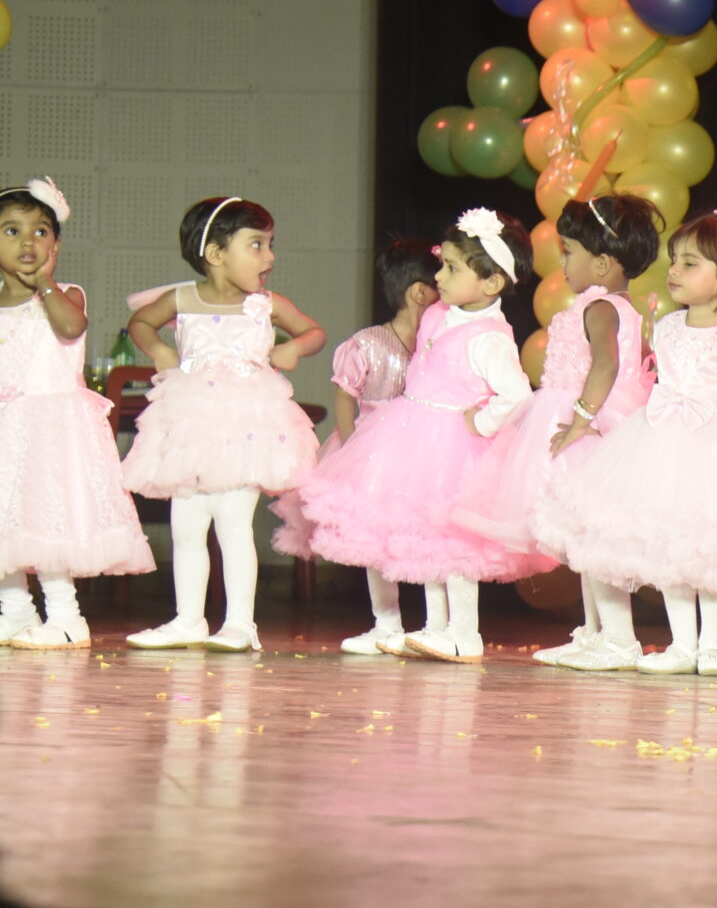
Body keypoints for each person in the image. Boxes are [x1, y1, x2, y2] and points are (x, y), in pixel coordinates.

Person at [534, 212, 717, 675]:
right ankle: (683, 644)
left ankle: (713, 644)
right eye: (675, 261)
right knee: (672, 543)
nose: (675, 271)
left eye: (690, 263)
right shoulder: (665, 326)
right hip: (661, 442)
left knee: (714, 545)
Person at [296, 209, 541, 664]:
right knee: (426, 535)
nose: (439, 276)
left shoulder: (489, 337)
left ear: (491, 282)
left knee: (454, 541)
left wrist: (481, 422)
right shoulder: (440, 315)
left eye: (452, 268)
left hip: (454, 446)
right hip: (413, 432)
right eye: (441, 263)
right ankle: (432, 626)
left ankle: (463, 632)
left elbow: (517, 393)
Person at [451, 196, 659, 668]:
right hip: (587, 416)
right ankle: (593, 632)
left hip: (590, 424)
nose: (562, 262)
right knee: (582, 536)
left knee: (594, 536)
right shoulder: (613, 306)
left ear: (602, 263)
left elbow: (607, 365)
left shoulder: (601, 307)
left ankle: (619, 638)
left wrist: (581, 419)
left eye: (568, 252)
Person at [120, 195, 325, 651]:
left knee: (233, 525)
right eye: (256, 245)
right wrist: (159, 349)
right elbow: (141, 323)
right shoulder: (181, 299)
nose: (269, 257)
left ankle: (240, 623)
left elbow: (314, 332)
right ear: (215, 253)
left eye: (270, 245)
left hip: (245, 427)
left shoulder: (265, 304)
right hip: (191, 426)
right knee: (187, 528)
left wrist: (293, 347)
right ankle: (188, 619)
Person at [0, 177, 153, 649]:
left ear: (56, 245)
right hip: (6, 430)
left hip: (50, 432)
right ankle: (16, 611)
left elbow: (70, 328)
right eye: (11, 231)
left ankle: (67, 617)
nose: (27, 241)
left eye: (40, 231)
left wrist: (44, 283)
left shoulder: (67, 294)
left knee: (48, 520)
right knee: (7, 525)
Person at [269, 238, 437, 609]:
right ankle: (386, 618)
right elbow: (345, 393)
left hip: (423, 450)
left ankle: (434, 621)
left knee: (423, 532)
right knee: (373, 535)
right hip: (375, 452)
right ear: (420, 292)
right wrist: (350, 445)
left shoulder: (438, 343)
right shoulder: (369, 343)